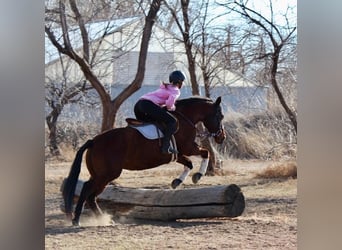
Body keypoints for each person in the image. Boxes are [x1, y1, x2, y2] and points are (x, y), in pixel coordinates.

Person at [134, 70, 185, 154]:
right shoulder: (176, 90)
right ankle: (166, 147)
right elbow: (169, 104)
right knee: (173, 121)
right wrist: (173, 108)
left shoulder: (165, 87)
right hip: (147, 105)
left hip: (138, 105)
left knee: (155, 123)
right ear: (180, 82)